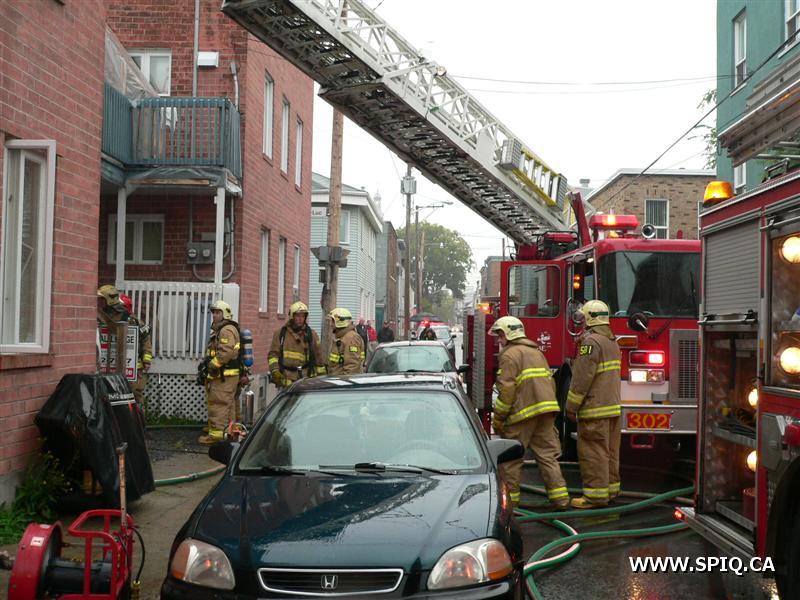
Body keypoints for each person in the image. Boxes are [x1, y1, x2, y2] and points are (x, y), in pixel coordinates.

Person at [489, 316, 569, 509]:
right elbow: (550, 382)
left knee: (511, 460)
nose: (499, 340)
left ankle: (511, 506)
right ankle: (561, 500)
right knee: (547, 457)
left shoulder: (509, 356)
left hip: (522, 415)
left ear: (509, 334)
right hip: (546, 412)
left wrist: (498, 419)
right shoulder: (536, 352)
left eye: (500, 336)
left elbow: (507, 392)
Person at [565, 299, 622, 509]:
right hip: (612, 408)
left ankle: (595, 497)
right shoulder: (612, 342)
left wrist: (571, 407)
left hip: (594, 410)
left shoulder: (590, 344)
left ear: (589, 319)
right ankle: (611, 491)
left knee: (593, 453)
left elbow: (581, 380)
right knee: (610, 452)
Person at [199, 300, 241, 445]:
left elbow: (225, 352)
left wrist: (212, 366)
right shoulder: (223, 329)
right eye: (213, 312)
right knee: (228, 405)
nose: (214, 315)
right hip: (226, 375)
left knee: (219, 404)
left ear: (226, 314)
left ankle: (216, 437)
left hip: (224, 375)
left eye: (218, 312)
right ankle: (229, 433)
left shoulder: (226, 330)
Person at [268, 301, 326, 388]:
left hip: (306, 377)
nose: (300, 319)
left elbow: (319, 357)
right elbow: (273, 355)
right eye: (298, 316)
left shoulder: (311, 334)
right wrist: (275, 371)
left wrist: (322, 379)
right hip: (286, 377)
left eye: (303, 316)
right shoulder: (280, 334)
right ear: (292, 316)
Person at [119, 294, 153, 411]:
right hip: (117, 366)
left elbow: (146, 342)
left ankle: (139, 418)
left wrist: (146, 361)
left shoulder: (138, 324)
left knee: (135, 394)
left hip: (135, 369)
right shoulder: (111, 321)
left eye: (121, 307)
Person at [327, 308, 365, 375]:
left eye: (333, 321)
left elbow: (352, 367)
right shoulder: (342, 337)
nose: (331, 324)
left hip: (342, 380)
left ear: (340, 322)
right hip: (336, 379)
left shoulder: (351, 338)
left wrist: (344, 381)